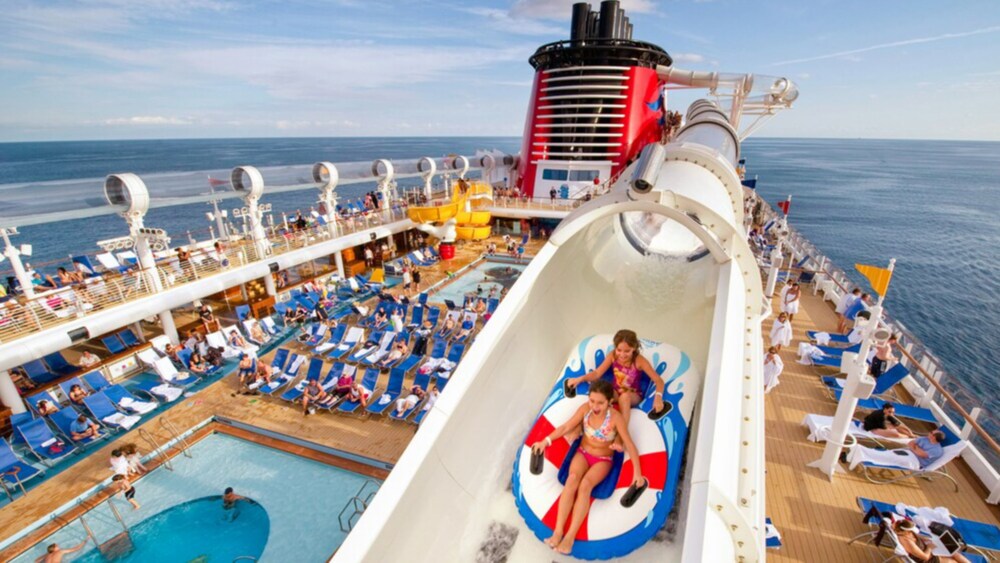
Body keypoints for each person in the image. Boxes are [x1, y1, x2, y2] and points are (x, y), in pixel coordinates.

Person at [531, 380, 645, 555]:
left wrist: (637, 474)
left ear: (609, 402)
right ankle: (558, 532)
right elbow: (566, 426)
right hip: (583, 453)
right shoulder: (585, 410)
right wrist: (545, 441)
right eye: (592, 400)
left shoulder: (615, 418)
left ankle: (569, 537)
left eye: (600, 402)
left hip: (602, 459)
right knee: (572, 480)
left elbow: (629, 443)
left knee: (585, 486)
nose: (595, 406)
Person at [565, 329, 667, 428]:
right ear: (615, 347)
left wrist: (658, 398)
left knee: (624, 397)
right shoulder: (613, 356)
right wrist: (579, 379)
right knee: (601, 392)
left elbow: (658, 380)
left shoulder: (639, 361)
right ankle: (584, 423)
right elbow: (597, 373)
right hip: (615, 392)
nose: (622, 355)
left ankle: (622, 432)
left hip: (632, 396)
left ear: (634, 348)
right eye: (619, 350)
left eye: (627, 351)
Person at [894, 519, 970, 563]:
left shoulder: (908, 533)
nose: (912, 531)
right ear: (905, 531)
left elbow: (920, 537)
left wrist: (931, 540)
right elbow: (925, 557)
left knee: (955, 554)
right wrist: (930, 547)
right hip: (929, 559)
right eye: (910, 530)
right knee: (953, 562)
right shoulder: (908, 542)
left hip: (931, 551)